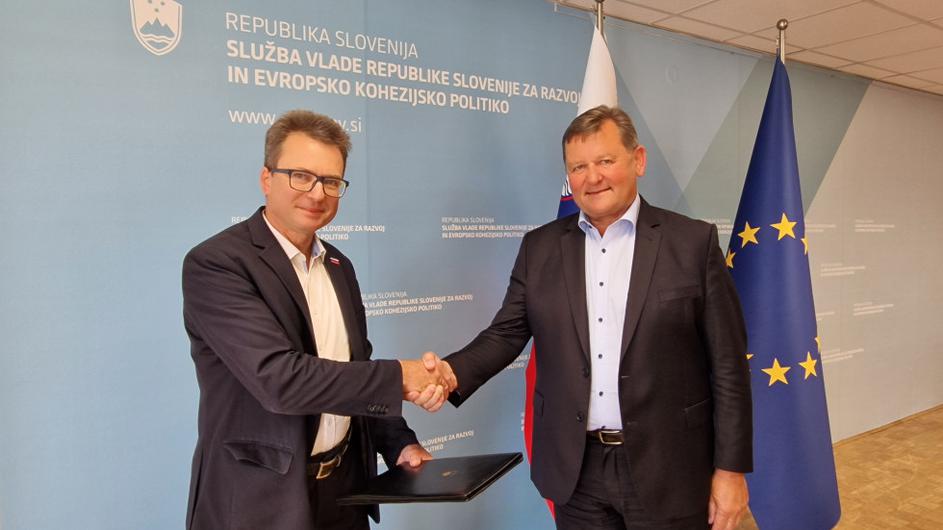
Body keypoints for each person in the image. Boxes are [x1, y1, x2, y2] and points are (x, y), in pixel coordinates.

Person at [439, 106, 753, 529]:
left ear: (638, 160)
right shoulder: (540, 248)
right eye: (578, 167)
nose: (592, 177)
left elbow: (729, 366)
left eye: (605, 161)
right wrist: (448, 374)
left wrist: (731, 471)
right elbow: (505, 334)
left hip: (670, 467)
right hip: (577, 472)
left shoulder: (692, 243)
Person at [182, 110, 451, 530]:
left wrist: (399, 443)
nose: (317, 193)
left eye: (330, 181)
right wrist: (402, 376)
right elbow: (279, 380)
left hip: (345, 492)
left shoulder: (339, 266)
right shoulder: (218, 264)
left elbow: (355, 372)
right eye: (301, 176)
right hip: (260, 502)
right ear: (267, 178)